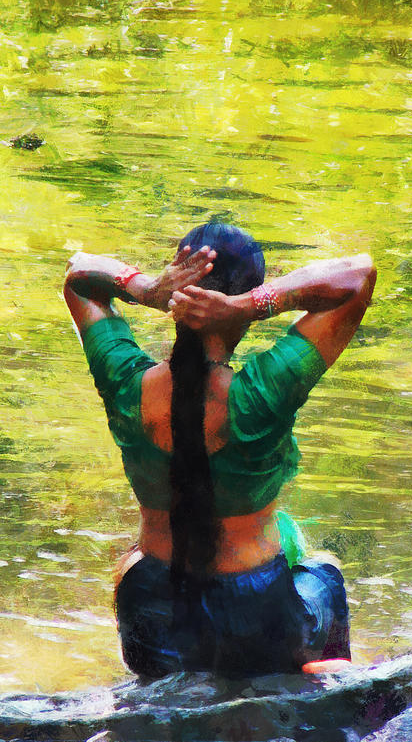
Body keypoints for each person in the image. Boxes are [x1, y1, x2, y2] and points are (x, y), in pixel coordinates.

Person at [63, 222, 376, 678]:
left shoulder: (126, 383)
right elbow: (358, 275)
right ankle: (333, 704)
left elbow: (79, 276)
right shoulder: (263, 393)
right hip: (255, 625)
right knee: (323, 570)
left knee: (132, 557)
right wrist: (250, 305)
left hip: (151, 614)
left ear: (177, 288)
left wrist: (146, 288)